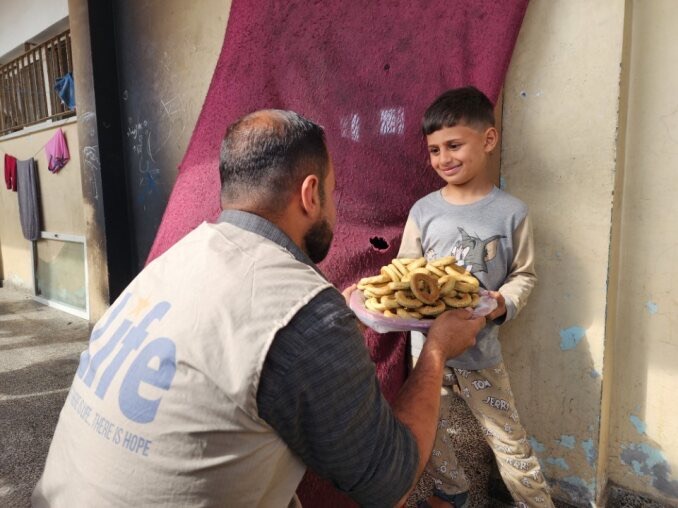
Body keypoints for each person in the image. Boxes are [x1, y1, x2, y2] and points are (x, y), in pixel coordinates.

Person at [32, 109, 485, 508]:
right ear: (311, 194)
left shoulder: (172, 261)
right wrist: (436, 351)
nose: (333, 205)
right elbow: (392, 484)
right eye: (332, 191)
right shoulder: (302, 309)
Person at [397, 87, 554, 508]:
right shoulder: (424, 211)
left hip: (480, 351)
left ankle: (534, 501)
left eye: (453, 145)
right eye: (434, 150)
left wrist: (501, 303)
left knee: (507, 437)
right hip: (428, 351)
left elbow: (524, 274)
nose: (443, 158)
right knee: (433, 429)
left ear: (487, 140)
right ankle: (451, 491)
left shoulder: (511, 213)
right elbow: (405, 273)